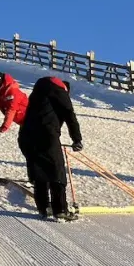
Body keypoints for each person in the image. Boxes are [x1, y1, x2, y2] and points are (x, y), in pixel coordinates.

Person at [17, 75, 84, 221]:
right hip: (45, 136)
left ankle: (44, 208)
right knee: (56, 171)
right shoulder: (60, 92)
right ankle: (60, 210)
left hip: (25, 137)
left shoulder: (37, 94)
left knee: (39, 171)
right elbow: (69, 114)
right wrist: (77, 139)